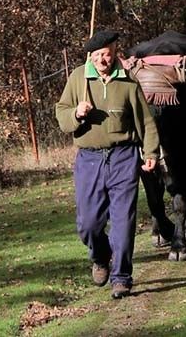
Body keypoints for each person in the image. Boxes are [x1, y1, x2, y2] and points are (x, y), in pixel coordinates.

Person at [55, 30, 159, 299]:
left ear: (115, 52)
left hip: (124, 157)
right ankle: (101, 257)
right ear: (91, 55)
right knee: (88, 224)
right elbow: (62, 114)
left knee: (123, 221)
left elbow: (145, 121)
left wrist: (151, 152)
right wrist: (77, 113)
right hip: (89, 160)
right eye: (99, 55)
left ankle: (121, 277)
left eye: (108, 54)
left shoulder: (127, 81)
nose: (104, 59)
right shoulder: (79, 78)